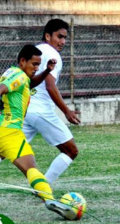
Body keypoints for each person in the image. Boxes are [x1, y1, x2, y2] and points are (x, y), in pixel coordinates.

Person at [0, 44, 76, 220]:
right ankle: (49, 199)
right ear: (22, 61)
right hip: (9, 132)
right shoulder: (17, 75)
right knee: (30, 168)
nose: (36, 68)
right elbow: (3, 88)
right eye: (34, 64)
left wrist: (46, 71)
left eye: (38, 65)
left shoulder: (16, 74)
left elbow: (30, 82)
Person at [23, 19, 80, 185]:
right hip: (41, 111)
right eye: (59, 37)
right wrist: (66, 111)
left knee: (4, 149)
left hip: (25, 109)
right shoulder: (53, 55)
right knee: (71, 151)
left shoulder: (36, 50)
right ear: (48, 36)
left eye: (65, 38)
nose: (62, 41)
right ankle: (43, 188)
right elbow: (50, 86)